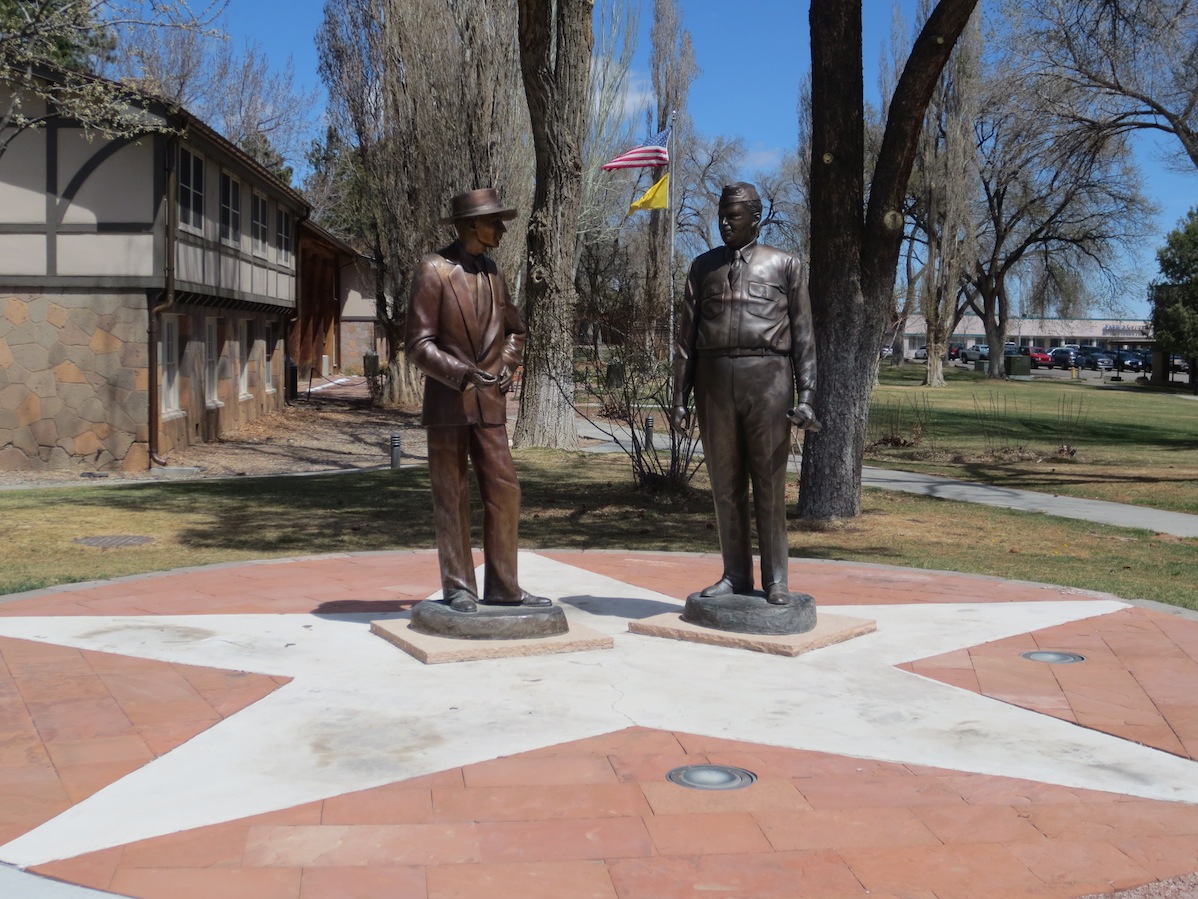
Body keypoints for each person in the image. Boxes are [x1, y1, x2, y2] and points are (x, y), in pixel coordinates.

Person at [670, 182, 818, 606]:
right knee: (725, 486)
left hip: (767, 378)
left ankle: (776, 579)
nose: (724, 223)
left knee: (768, 484)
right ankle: (735, 574)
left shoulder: (786, 265)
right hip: (714, 381)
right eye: (720, 215)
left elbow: (805, 336)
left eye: (732, 216)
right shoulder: (702, 268)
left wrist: (806, 396)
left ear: (755, 217)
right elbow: (685, 340)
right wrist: (680, 397)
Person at [405, 188, 549, 614]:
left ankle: (504, 586)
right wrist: (457, 371)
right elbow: (417, 342)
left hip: (490, 404)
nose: (502, 228)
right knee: (451, 495)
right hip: (449, 404)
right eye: (494, 221)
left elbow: (515, 329)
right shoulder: (433, 270)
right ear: (471, 225)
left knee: (505, 491)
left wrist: (507, 362)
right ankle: (459, 587)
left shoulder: (494, 273)